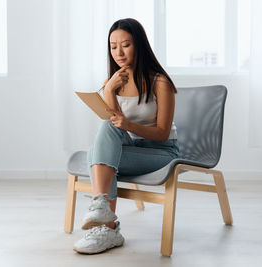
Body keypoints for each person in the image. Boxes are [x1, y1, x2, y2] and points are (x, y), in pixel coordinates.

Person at [73, 18, 180, 254]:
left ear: (139, 45)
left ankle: (106, 226)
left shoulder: (160, 82)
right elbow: (115, 125)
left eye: (126, 45)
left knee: (97, 155)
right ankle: (104, 216)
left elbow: (162, 134)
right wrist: (109, 89)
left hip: (162, 154)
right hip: (130, 148)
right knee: (107, 129)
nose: (118, 52)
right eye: (113, 46)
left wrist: (129, 123)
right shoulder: (113, 82)